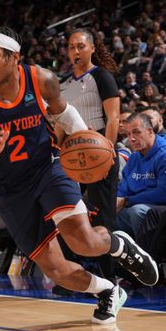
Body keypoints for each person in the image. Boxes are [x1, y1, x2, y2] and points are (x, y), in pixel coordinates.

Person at [0, 26, 158, 325]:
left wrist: (87, 139)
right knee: (57, 271)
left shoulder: (41, 79)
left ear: (14, 58)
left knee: (82, 241)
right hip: (8, 188)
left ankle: (118, 245)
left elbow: (63, 112)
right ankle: (108, 290)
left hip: (48, 168)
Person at [60, 28, 121, 286]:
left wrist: (107, 153)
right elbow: (60, 125)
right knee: (66, 212)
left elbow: (114, 117)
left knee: (102, 217)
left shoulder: (102, 76)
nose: (76, 51)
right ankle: (72, 276)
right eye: (72, 47)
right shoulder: (62, 84)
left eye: (81, 46)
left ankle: (111, 277)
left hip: (98, 150)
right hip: (72, 153)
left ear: (92, 48)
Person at [115, 113, 166, 236]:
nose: (131, 139)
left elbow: (164, 194)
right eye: (128, 134)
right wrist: (117, 200)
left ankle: (150, 253)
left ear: (149, 131)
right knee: (105, 212)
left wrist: (127, 201)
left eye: (136, 132)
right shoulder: (134, 157)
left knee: (137, 212)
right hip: (135, 203)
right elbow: (124, 187)